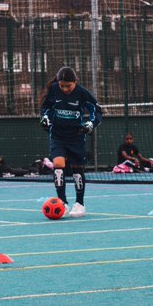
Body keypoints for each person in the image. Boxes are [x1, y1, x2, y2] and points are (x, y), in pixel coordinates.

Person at [40, 66, 100, 217]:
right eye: (62, 86)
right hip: (58, 136)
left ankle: (80, 204)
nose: (65, 89)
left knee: (77, 169)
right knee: (58, 164)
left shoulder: (82, 93)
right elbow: (46, 107)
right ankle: (62, 203)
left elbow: (96, 111)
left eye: (68, 86)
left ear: (75, 82)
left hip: (76, 137)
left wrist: (91, 124)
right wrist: (45, 118)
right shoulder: (54, 90)